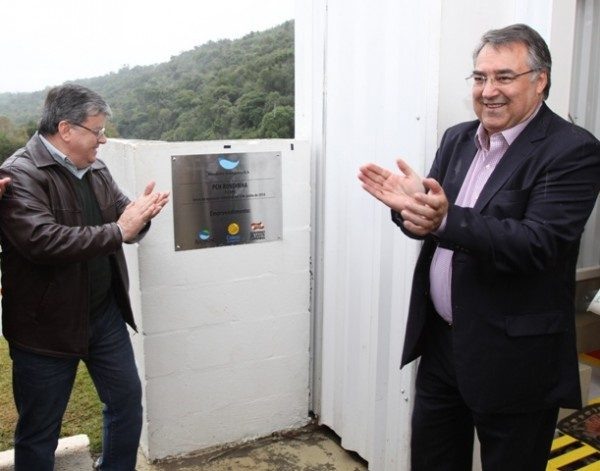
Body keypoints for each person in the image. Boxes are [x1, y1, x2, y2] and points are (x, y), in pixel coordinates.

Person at [358, 24, 600, 471]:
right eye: (480, 77)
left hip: (515, 359)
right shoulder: (457, 138)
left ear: (540, 79)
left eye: (504, 77)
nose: (489, 91)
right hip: (443, 348)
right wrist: (412, 211)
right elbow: (434, 220)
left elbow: (538, 243)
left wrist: (445, 219)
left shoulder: (572, 150)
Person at [0, 84, 170, 471]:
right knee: (40, 430)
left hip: (102, 314)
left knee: (126, 402)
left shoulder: (95, 167)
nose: (104, 139)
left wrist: (141, 218)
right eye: (98, 130)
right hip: (44, 329)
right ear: (66, 129)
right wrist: (120, 230)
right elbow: (42, 241)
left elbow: (124, 215)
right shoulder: (19, 173)